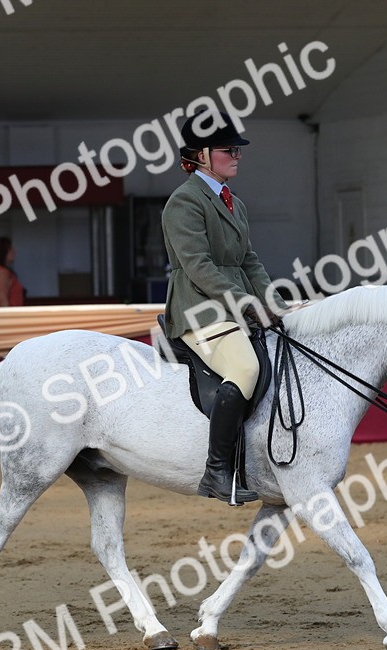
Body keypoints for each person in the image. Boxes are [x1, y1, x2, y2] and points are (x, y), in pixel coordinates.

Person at [161, 112, 287, 505]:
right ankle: (216, 471)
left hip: (232, 306)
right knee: (245, 368)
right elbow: (198, 266)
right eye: (227, 150)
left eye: (237, 149)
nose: (237, 155)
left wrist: (275, 303)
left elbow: (249, 261)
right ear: (201, 155)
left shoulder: (236, 204)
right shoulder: (183, 202)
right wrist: (245, 301)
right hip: (199, 308)